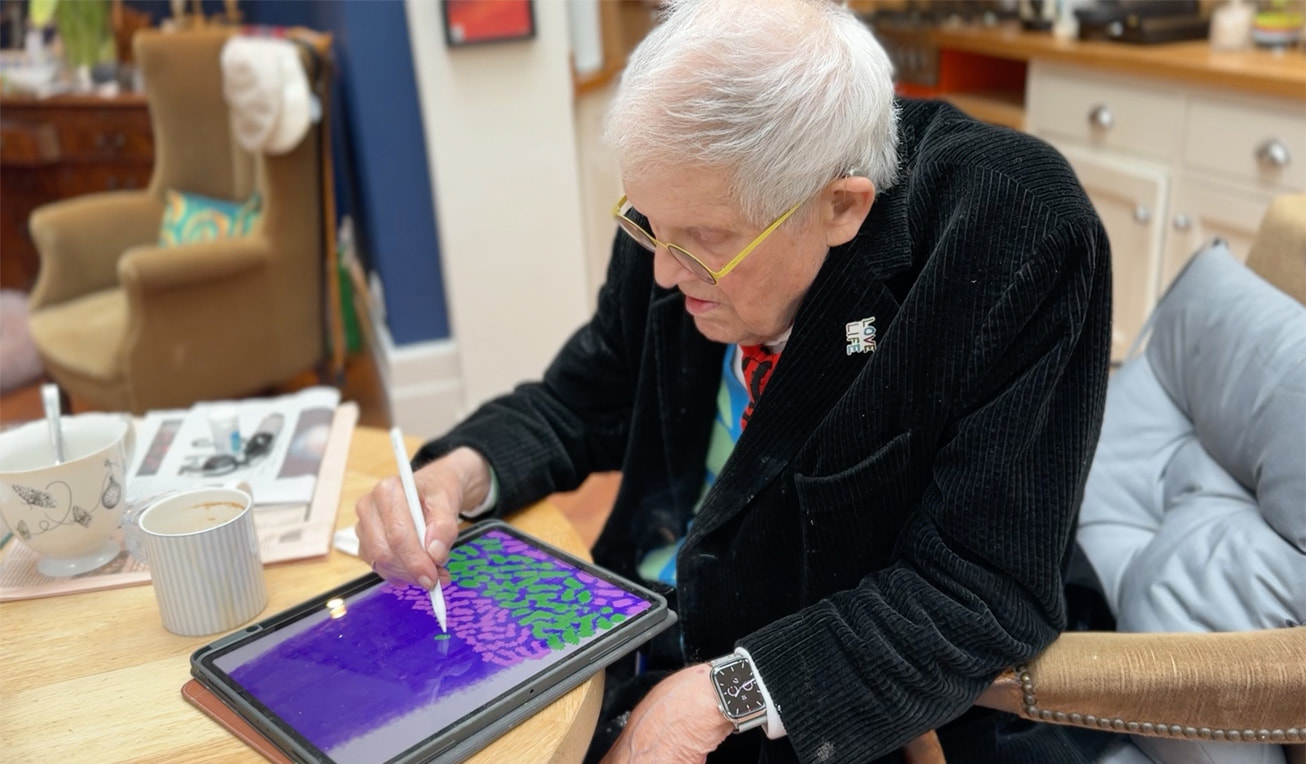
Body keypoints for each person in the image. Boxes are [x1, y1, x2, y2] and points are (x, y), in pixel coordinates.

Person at [354, 0, 1113, 762]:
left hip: (830, 691)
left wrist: (726, 694)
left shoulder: (1015, 236)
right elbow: (587, 396)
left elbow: (973, 591)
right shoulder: (681, 206)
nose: (662, 272)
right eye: (648, 225)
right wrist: (460, 473)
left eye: (704, 241)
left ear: (841, 206)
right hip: (641, 625)